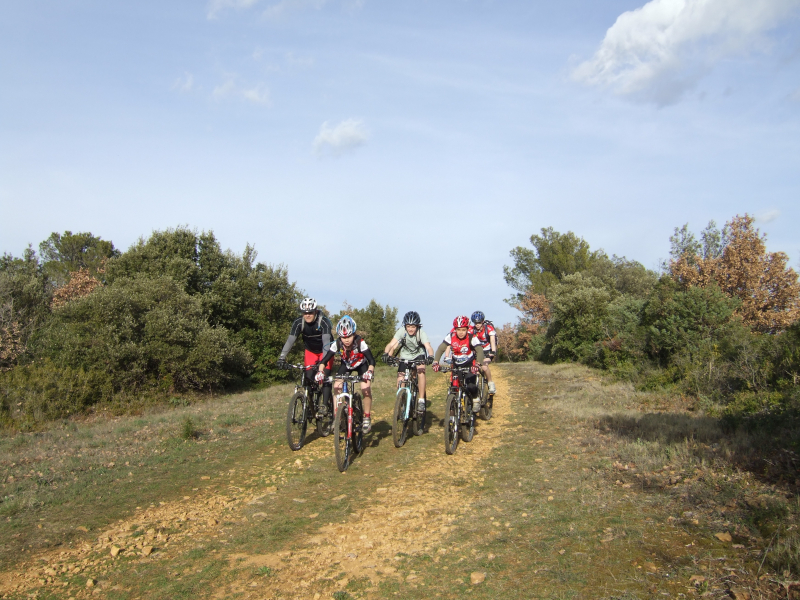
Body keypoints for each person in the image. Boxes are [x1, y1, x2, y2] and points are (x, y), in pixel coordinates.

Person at [316, 315, 376, 433]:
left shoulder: (360, 342)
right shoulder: (337, 343)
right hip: (346, 365)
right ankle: (336, 418)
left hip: (361, 365)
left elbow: (372, 360)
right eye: (343, 337)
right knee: (336, 386)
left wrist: (369, 371)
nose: (346, 339)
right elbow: (324, 360)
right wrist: (320, 371)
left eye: (349, 336)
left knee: (366, 389)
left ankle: (367, 418)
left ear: (353, 334)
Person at [276, 298, 334, 417]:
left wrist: (323, 362)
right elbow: (290, 341)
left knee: (325, 375)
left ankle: (324, 405)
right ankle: (310, 405)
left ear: (315, 311)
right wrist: (282, 357)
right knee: (308, 378)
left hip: (326, 350)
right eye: (304, 312)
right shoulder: (298, 322)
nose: (307, 315)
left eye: (310, 312)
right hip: (311, 351)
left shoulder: (324, 322)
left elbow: (327, 343)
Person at [382, 311, 435, 413]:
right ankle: (402, 401)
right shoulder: (402, 331)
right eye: (408, 326)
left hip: (418, 355)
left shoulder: (421, 333)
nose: (410, 329)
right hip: (405, 356)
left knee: (420, 371)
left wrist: (431, 356)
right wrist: (386, 354)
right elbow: (392, 344)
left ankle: (421, 400)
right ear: (405, 325)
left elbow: (428, 347)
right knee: (400, 378)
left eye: (413, 326)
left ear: (417, 326)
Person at [431, 316, 485, 412]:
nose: (461, 332)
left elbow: (480, 350)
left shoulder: (471, 337)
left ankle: (476, 399)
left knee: (470, 385)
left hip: (469, 364)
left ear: (467, 329)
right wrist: (436, 362)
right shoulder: (451, 336)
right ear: (455, 329)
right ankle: (453, 410)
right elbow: (440, 349)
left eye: (463, 330)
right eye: (458, 330)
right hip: (456, 364)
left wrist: (477, 364)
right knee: (454, 387)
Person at [470, 310, 497, 395]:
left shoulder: (488, 328)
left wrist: (493, 351)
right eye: (475, 323)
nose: (477, 325)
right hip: (477, 351)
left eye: (479, 323)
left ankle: (490, 383)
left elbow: (492, 340)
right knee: (474, 369)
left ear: (483, 321)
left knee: (484, 367)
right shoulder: (472, 330)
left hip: (487, 350)